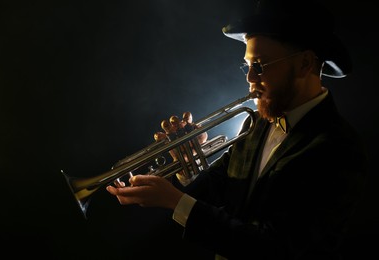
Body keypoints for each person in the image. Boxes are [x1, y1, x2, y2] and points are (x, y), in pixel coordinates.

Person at [106, 0, 367, 259]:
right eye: (248, 65)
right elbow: (221, 199)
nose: (250, 79)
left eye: (260, 65)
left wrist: (176, 201)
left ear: (305, 64)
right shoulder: (255, 124)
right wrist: (187, 165)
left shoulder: (339, 148)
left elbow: (276, 248)